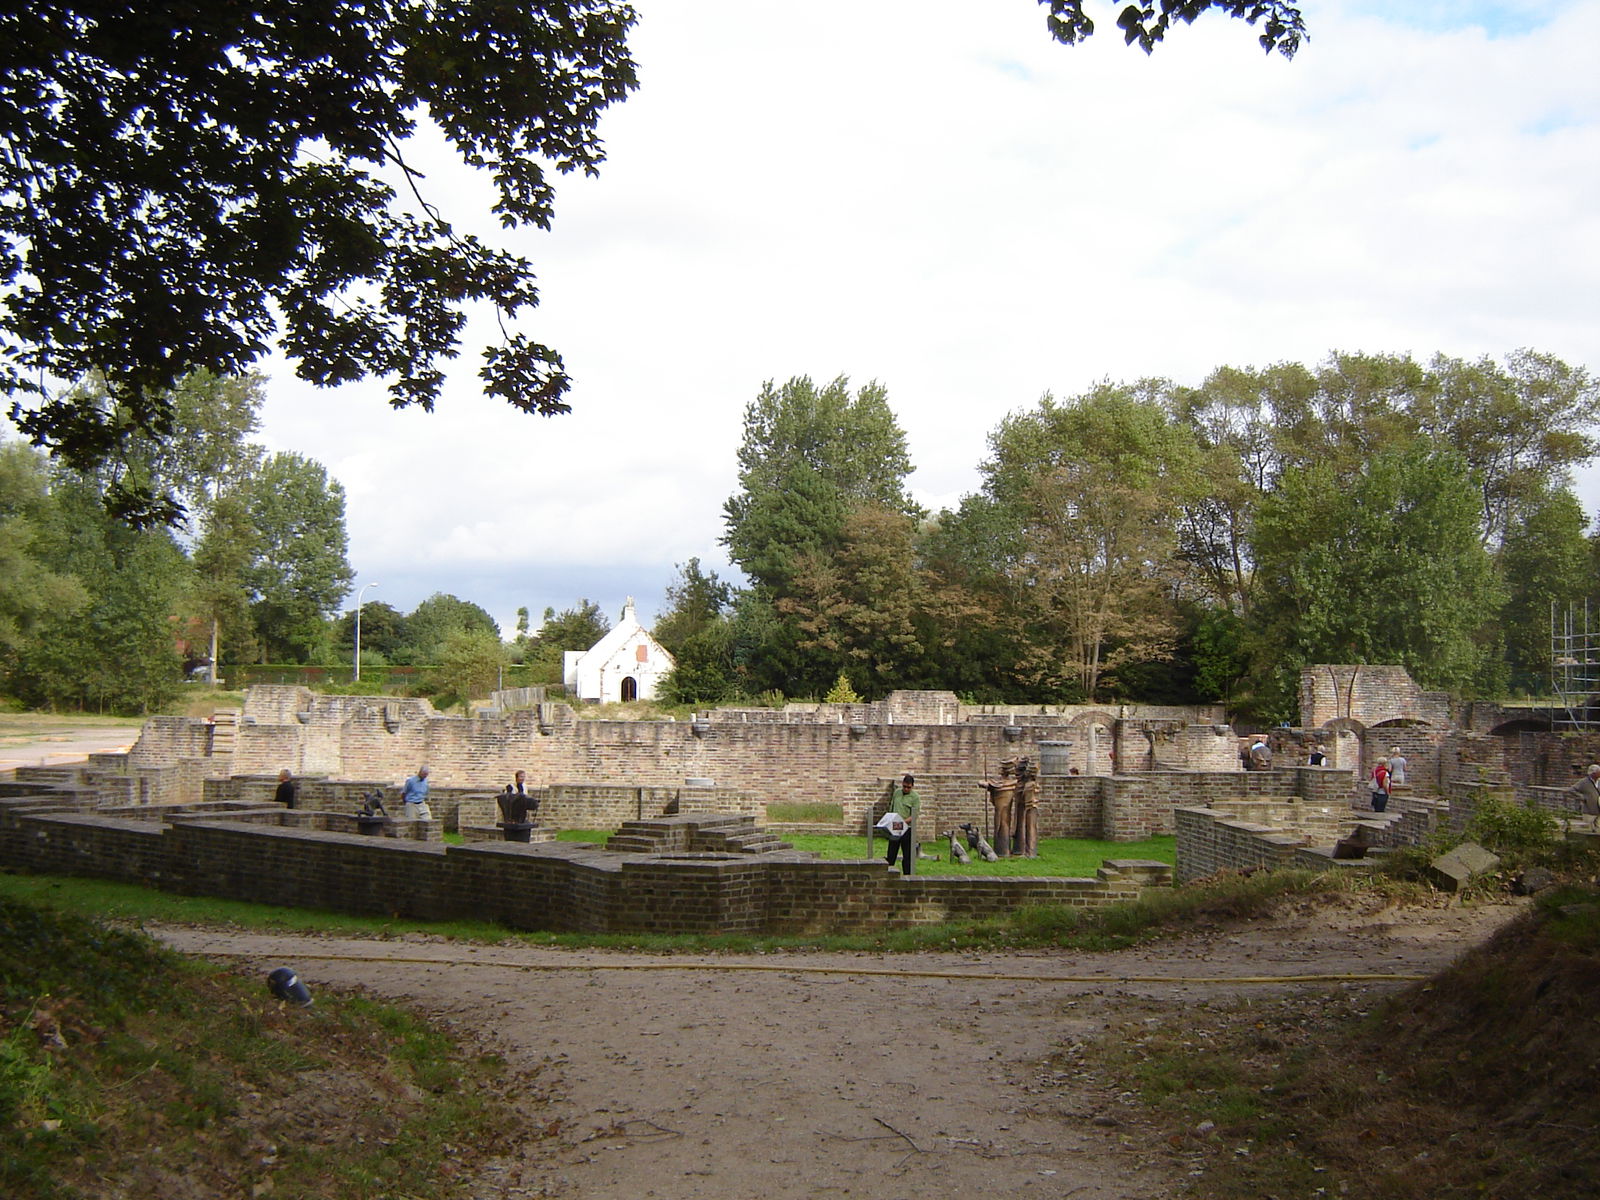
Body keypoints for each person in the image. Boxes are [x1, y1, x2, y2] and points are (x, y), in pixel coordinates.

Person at [885, 774, 920, 876]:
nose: (906, 789)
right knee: (891, 854)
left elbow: (914, 815)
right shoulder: (897, 793)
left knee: (907, 856)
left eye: (908, 787)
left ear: (912, 786)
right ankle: (888, 876)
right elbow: (891, 807)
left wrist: (903, 822)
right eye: (904, 786)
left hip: (907, 829)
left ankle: (907, 878)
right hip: (894, 828)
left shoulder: (915, 797)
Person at [981, 758, 1018, 856]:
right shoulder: (1002, 783)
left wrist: (987, 784)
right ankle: (1001, 849)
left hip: (1003, 810)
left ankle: (1003, 850)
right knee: (1001, 825)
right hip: (1001, 809)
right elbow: (985, 784)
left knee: (1002, 825)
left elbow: (988, 784)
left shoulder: (1007, 784)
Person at [1015, 757, 1040, 858]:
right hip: (1029, 808)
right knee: (1026, 826)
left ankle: (1030, 852)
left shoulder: (1030, 785)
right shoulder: (1025, 785)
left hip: (1031, 809)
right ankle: (1026, 850)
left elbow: (1030, 800)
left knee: (1030, 828)